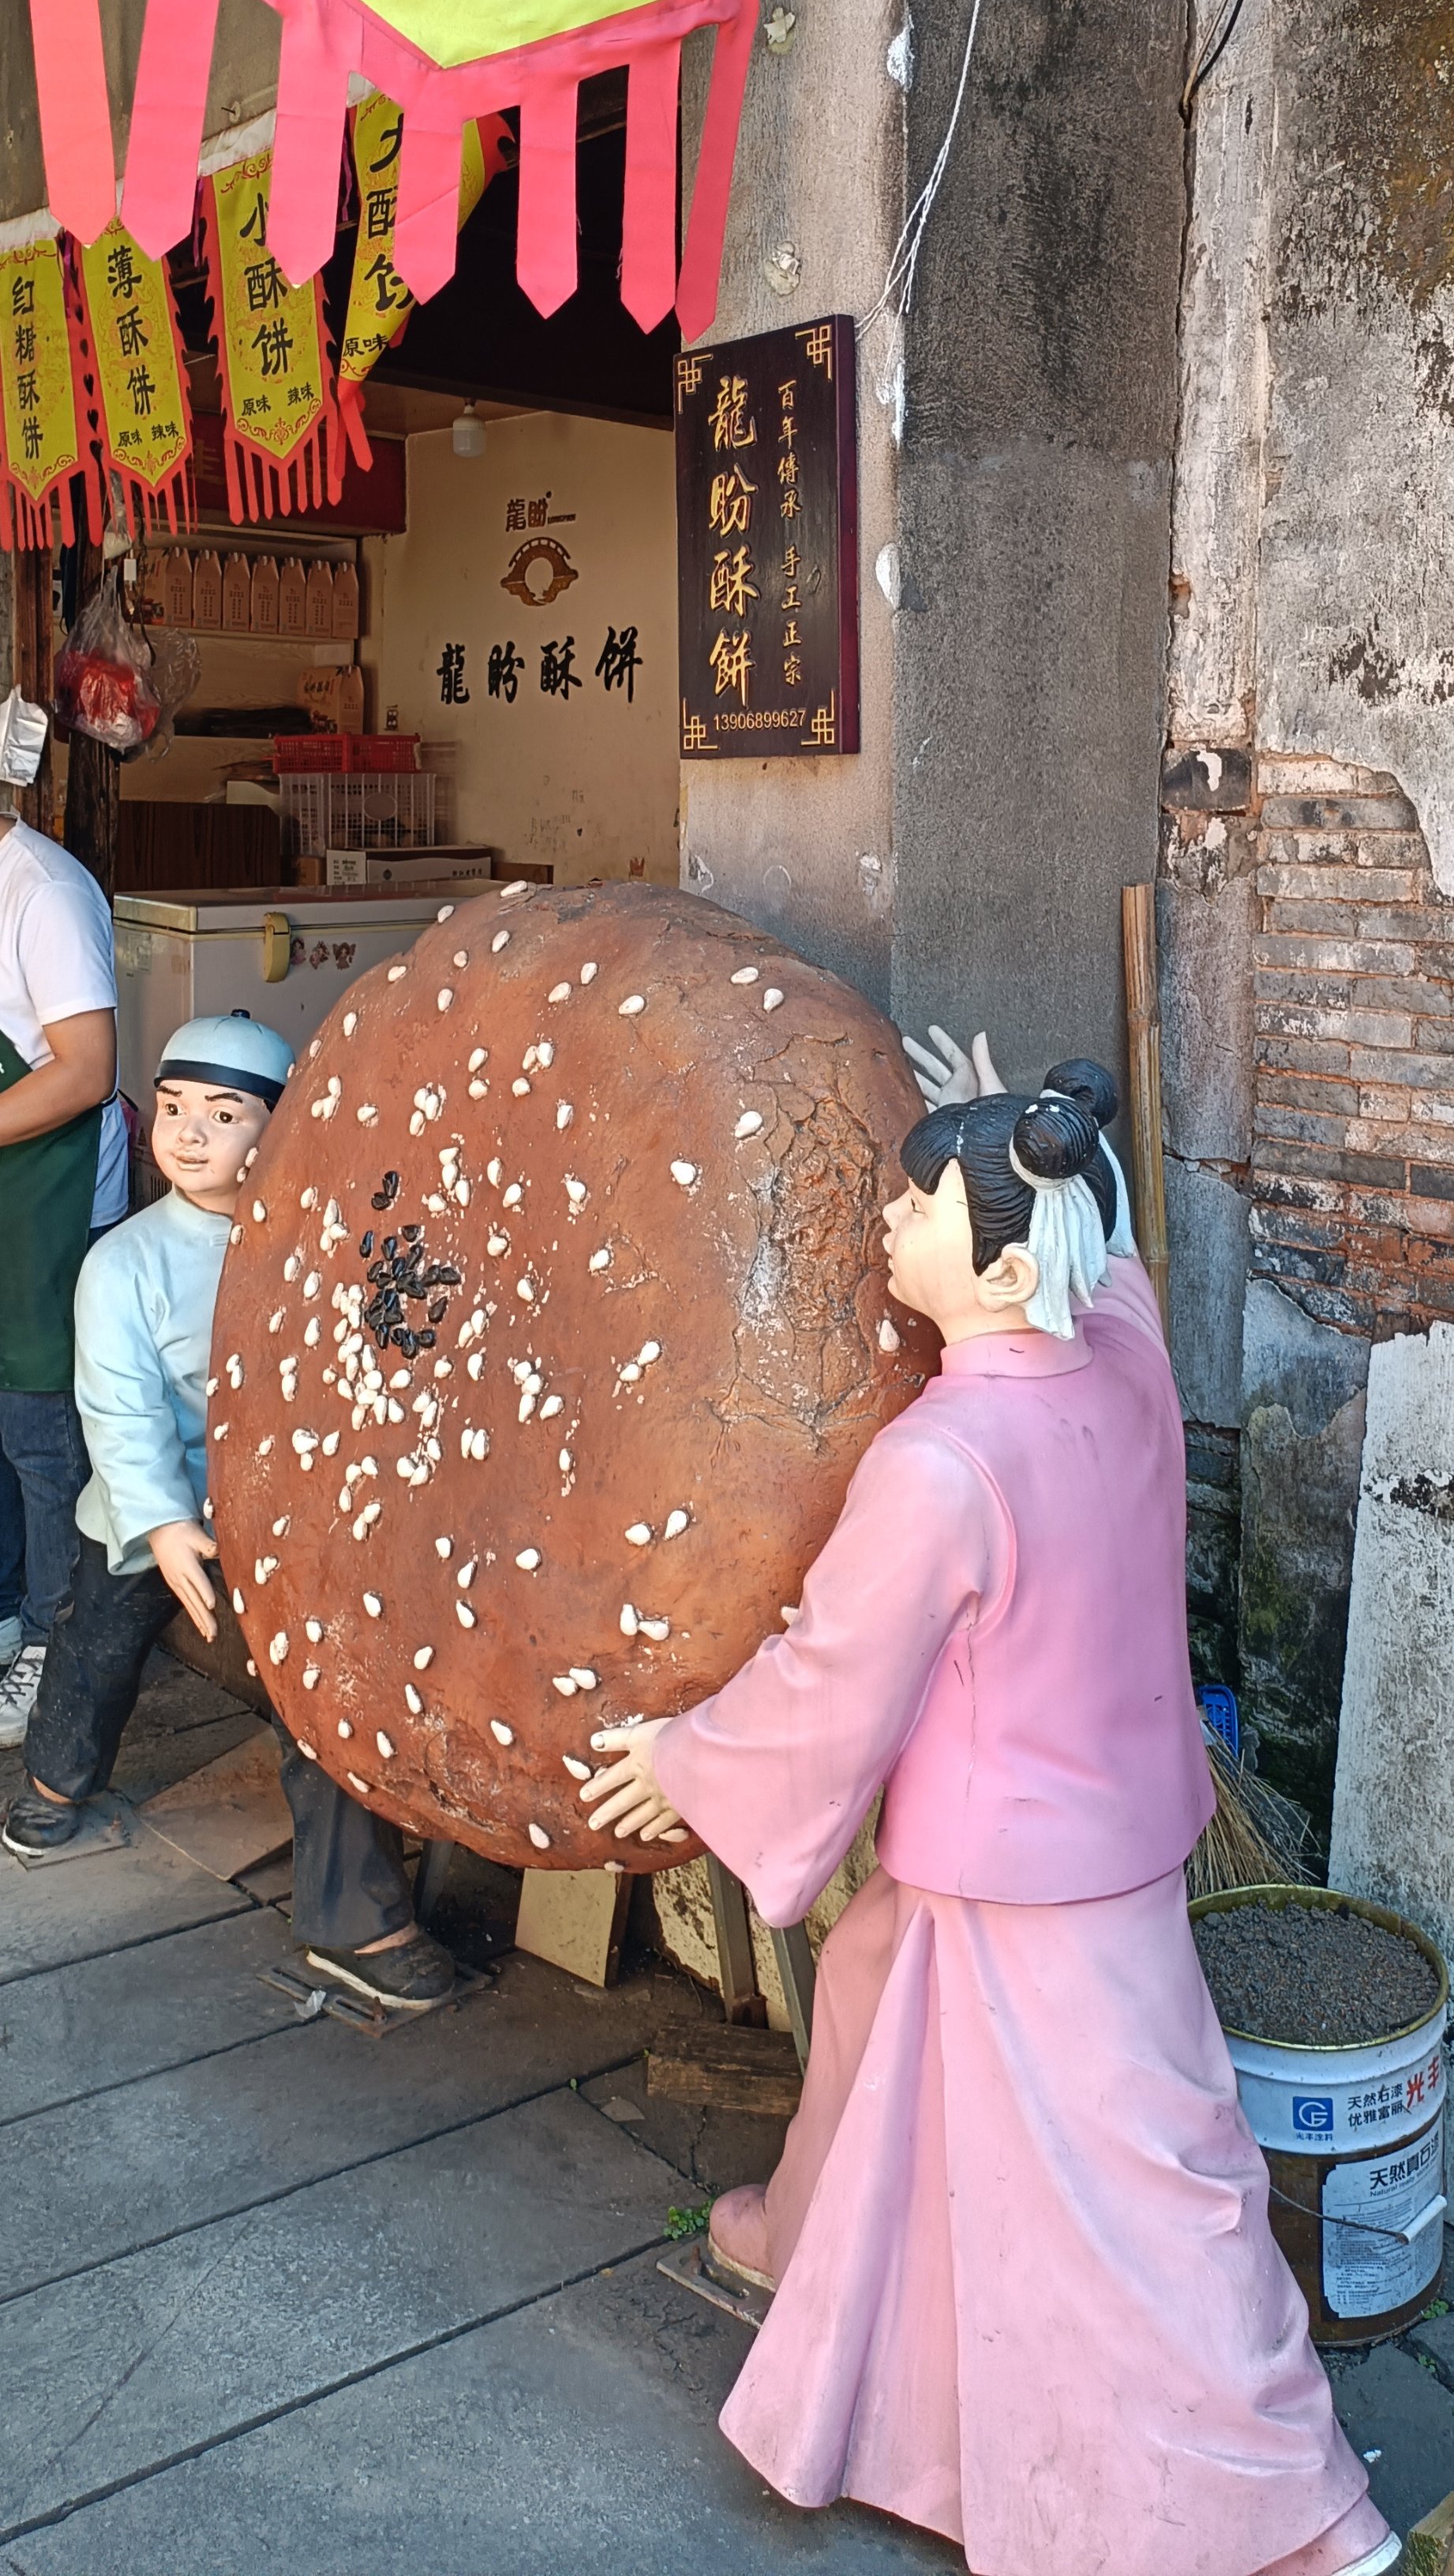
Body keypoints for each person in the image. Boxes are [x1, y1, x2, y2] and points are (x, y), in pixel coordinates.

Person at [579, 1080, 1395, 2576]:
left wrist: (689, 1759)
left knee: (1148, 2185)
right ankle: (811, 2249)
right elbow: (1125, 1270)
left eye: (918, 1202)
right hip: (1099, 1837)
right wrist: (1030, 1131)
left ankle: (1286, 2505)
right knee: (873, 2015)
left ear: (1009, 1269)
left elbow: (833, 1673)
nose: (888, 1218)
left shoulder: (940, 1462)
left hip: (1024, 1876)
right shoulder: (1121, 1367)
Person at [2, 1011, 455, 2015]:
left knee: (324, 1686)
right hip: (147, 1506)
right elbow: (118, 1413)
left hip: (285, 1516)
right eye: (171, 1110)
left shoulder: (326, 1246)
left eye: (224, 1112)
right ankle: (54, 1779)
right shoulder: (124, 1262)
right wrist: (165, 1526)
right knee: (96, 1645)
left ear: (279, 1130)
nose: (190, 1134)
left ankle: (356, 1915)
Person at [0, 801, 128, 1736]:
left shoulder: (44, 893)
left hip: (53, 1187)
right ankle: (8, 1614)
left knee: (44, 1430)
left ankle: (52, 1642)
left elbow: (84, 1069)